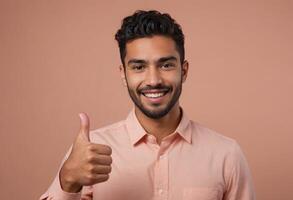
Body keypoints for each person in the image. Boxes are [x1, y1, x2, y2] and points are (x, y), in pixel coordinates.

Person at [40, 10, 255, 200]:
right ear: (123, 74)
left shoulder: (226, 155)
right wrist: (67, 180)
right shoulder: (89, 152)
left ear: (184, 71)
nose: (153, 80)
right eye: (138, 67)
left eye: (166, 65)